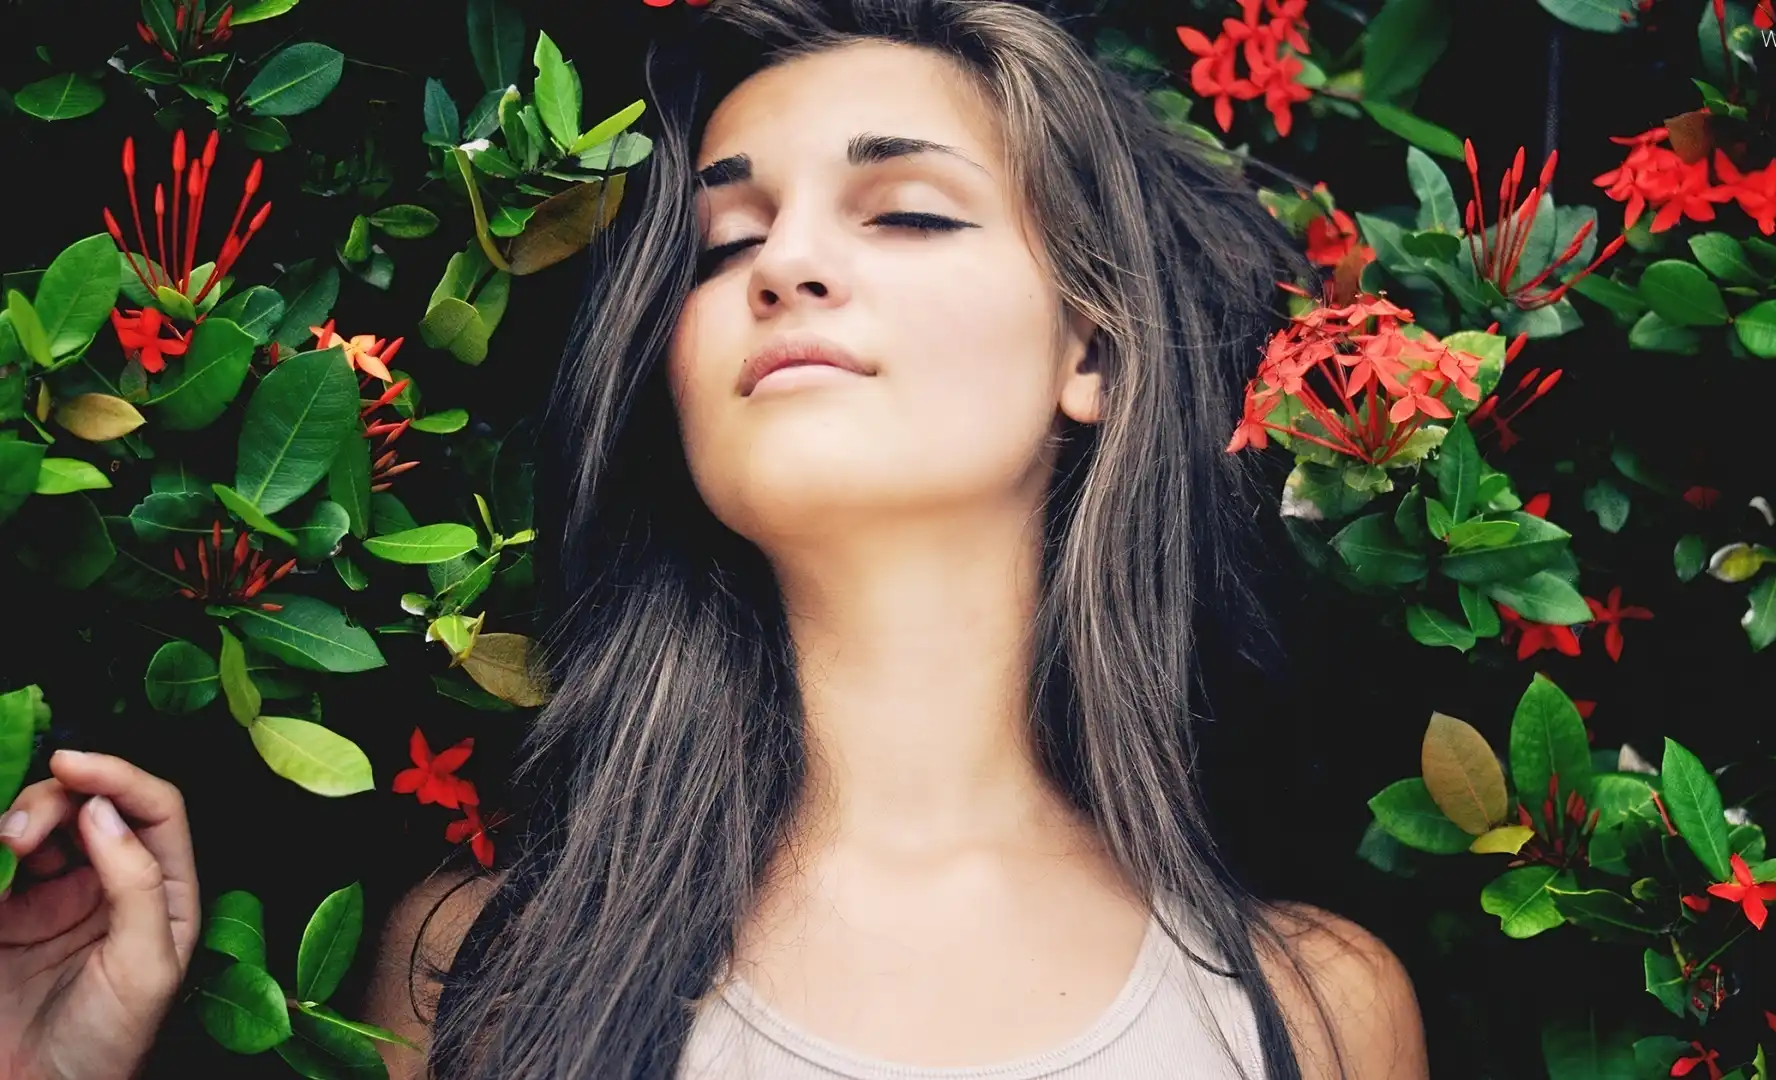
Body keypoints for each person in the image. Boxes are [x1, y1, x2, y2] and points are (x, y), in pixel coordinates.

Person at [0, 0, 1427, 1077]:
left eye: (911, 212)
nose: (788, 263)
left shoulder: (1311, 1011)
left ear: (1094, 354)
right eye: (721, 243)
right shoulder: (477, 973)